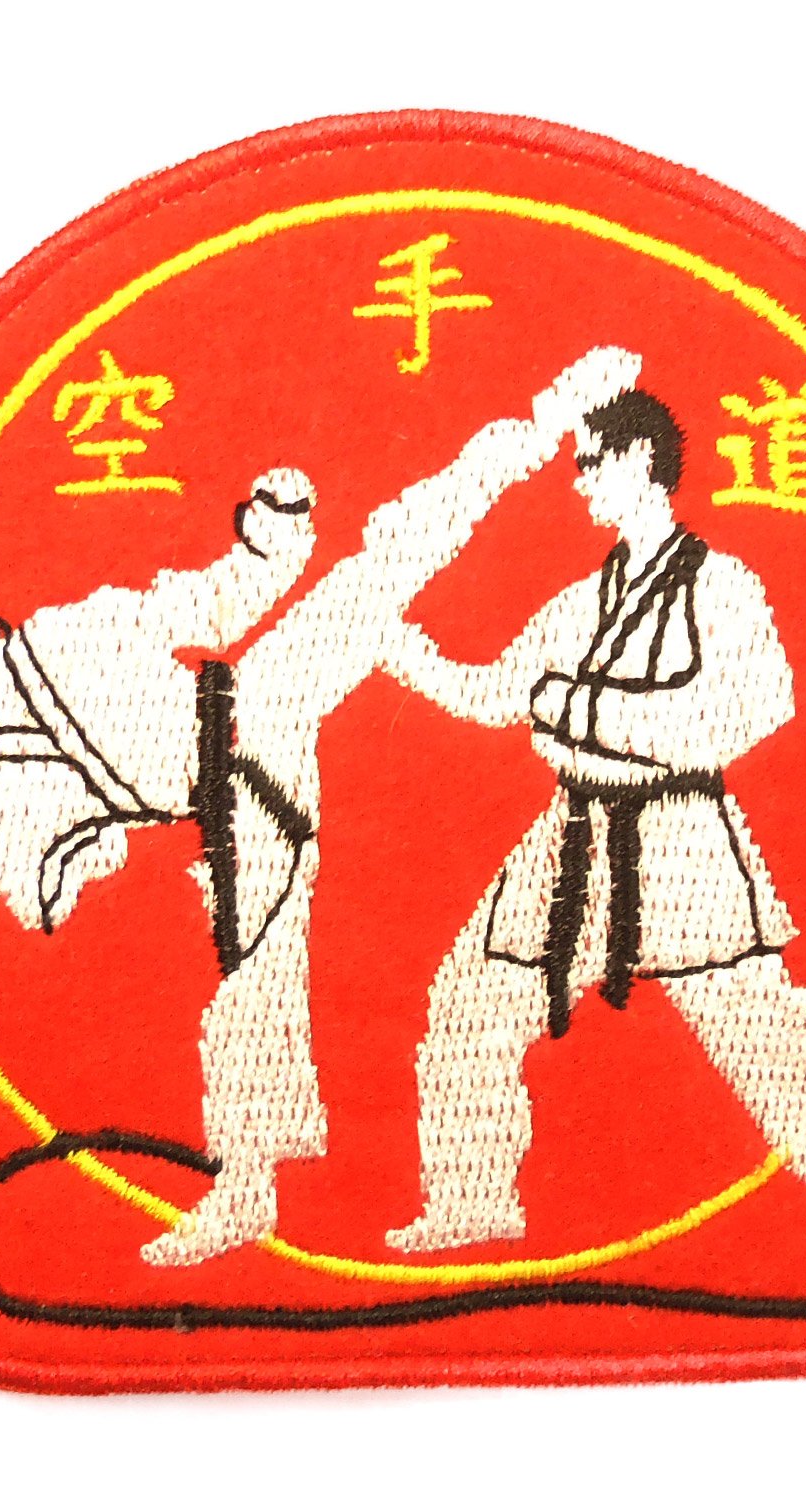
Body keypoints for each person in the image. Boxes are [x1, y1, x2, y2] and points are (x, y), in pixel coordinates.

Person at [381, 386, 806, 1272]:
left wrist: (572, 706)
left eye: (591, 463)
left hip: (680, 840)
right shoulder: (584, 598)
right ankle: (470, 1201)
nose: (579, 482)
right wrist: (401, 650)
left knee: (765, 1041)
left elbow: (745, 708)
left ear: (640, 461)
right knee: (471, 1006)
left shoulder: (722, 584)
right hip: (571, 836)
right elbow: (498, 691)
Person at [138, 346, 645, 1265]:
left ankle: (251, 1183)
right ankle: (252, 1182)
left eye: (295, 505)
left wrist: (556, 410)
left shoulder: (365, 577)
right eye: (266, 506)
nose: (282, 513)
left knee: (256, 986)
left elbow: (463, 493)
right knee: (246, 987)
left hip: (271, 792)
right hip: (207, 769)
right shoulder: (203, 597)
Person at [0, 470, 318, 934]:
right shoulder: (52, 638)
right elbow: (203, 608)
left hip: (220, 804)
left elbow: (61, 887)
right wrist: (272, 547)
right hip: (243, 736)